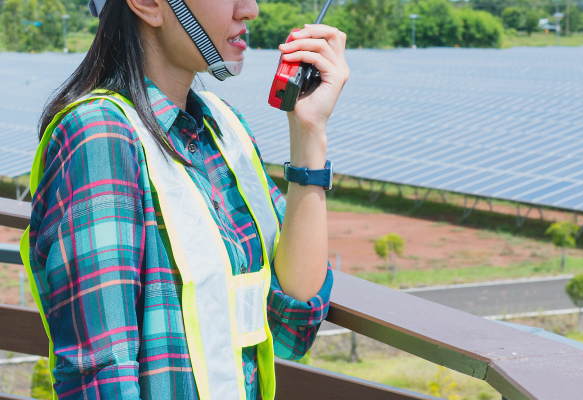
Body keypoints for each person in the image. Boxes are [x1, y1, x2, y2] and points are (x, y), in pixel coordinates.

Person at [20, 0, 349, 399]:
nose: (250, 9)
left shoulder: (223, 128)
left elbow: (291, 326)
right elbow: (100, 376)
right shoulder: (99, 137)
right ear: (149, 4)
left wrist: (309, 132)